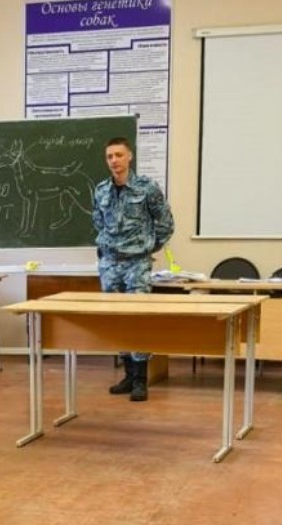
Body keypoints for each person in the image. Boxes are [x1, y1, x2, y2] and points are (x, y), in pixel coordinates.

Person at [92, 136, 174, 401]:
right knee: (116, 321)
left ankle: (141, 379)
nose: (114, 161)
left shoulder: (147, 188)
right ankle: (127, 375)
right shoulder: (101, 190)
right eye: (109, 157)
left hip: (136, 264)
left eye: (118, 155)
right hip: (109, 264)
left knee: (138, 318)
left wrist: (146, 247)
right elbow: (98, 222)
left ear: (130, 157)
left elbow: (165, 223)